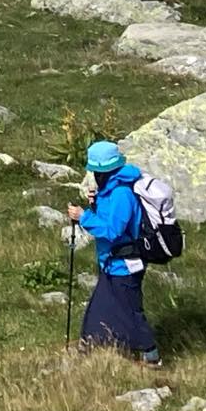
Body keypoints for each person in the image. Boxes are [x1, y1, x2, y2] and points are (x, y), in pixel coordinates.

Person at [66, 141, 161, 366]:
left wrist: (83, 217)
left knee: (130, 311)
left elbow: (113, 231)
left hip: (125, 265)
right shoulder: (110, 191)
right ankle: (89, 345)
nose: (95, 176)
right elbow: (108, 220)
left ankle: (151, 355)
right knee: (99, 307)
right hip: (111, 264)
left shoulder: (121, 194)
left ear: (105, 172)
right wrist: (95, 206)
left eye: (96, 172)